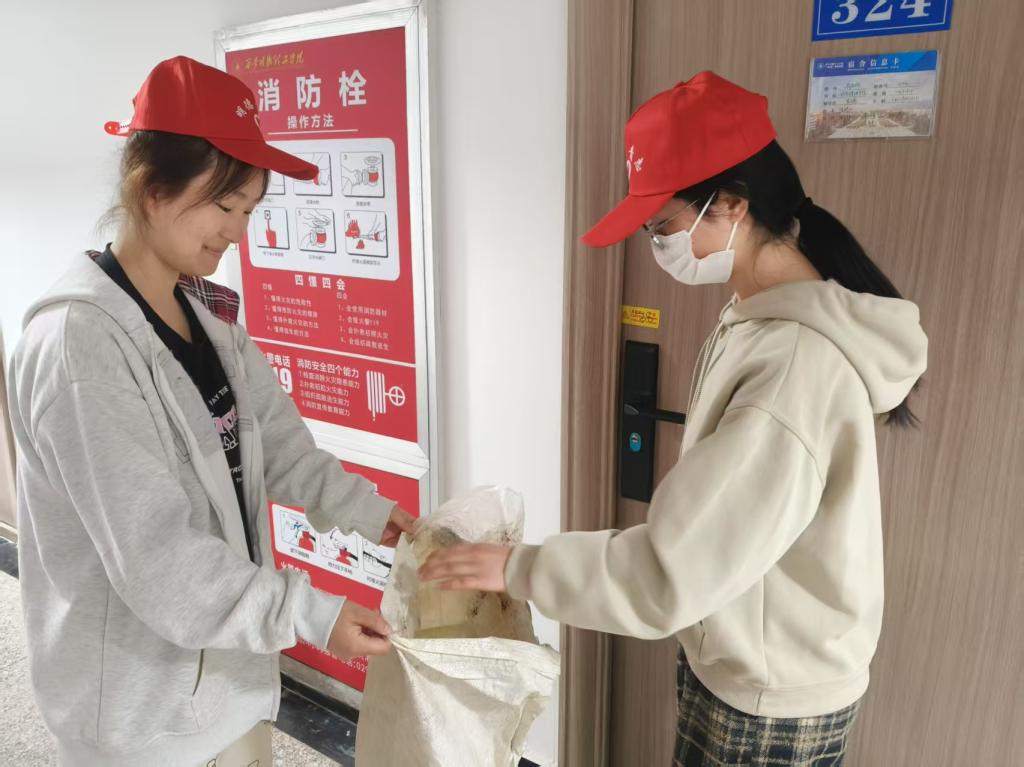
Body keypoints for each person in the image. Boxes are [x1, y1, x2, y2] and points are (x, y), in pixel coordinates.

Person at [419, 71, 928, 766]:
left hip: (767, 698)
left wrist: (520, 567)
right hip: (753, 657)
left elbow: (670, 570)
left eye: (663, 226)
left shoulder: (792, 366)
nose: (658, 246)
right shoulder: (759, 315)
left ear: (733, 205)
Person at [7, 56, 416, 766]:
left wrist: (373, 513)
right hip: (140, 710)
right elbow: (158, 558)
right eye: (224, 207)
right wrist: (311, 613)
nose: (238, 232)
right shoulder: (80, 348)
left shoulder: (207, 314)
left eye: (249, 211)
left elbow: (278, 444)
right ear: (151, 190)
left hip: (225, 677)